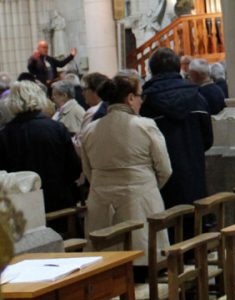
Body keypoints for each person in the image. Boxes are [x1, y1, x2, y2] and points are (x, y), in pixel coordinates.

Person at [79, 72, 172, 269]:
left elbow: (88, 171)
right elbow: (165, 169)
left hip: (101, 202)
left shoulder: (89, 129)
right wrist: (148, 187)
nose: (141, 101)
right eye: (140, 96)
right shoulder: (145, 125)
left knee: (109, 264)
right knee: (145, 261)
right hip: (141, 199)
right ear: (130, 98)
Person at [0, 82, 81, 234]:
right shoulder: (56, 128)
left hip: (24, 208)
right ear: (39, 98)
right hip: (59, 202)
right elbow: (74, 169)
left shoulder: (4, 135)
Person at [140, 47, 213, 214]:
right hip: (194, 178)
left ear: (152, 70)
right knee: (196, 233)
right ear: (179, 68)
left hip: (162, 186)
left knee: (169, 236)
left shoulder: (145, 105)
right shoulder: (197, 98)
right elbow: (207, 139)